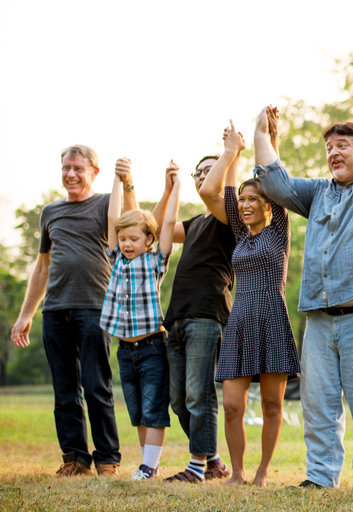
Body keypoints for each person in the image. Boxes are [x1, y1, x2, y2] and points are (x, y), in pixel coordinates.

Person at [257, 46, 353, 491]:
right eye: (329, 147)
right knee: (319, 403)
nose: (333, 152)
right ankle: (320, 476)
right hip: (320, 319)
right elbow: (273, 182)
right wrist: (264, 133)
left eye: (342, 145)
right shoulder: (319, 192)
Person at [11, 146, 134, 477]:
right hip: (55, 310)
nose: (71, 174)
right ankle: (75, 459)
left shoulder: (106, 204)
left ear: (93, 172)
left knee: (96, 386)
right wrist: (26, 314)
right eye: (66, 168)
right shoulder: (50, 212)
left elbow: (132, 224)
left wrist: (126, 181)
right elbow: (41, 267)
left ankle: (107, 459)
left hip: (94, 307)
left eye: (78, 168)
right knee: (65, 389)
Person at [198, 119, 298, 487]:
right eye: (241, 199)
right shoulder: (239, 230)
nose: (245, 204)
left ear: (269, 204)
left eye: (253, 198)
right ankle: (237, 472)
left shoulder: (279, 227)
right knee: (231, 405)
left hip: (272, 316)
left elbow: (278, 178)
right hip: (240, 318)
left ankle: (262, 472)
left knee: (273, 405)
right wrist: (231, 151)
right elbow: (210, 189)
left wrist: (270, 138)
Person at [157, 153, 236, 484]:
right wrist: (169, 188)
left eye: (211, 170)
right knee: (178, 399)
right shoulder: (194, 224)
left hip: (207, 314)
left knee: (198, 394)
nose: (204, 176)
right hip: (176, 317)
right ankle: (214, 459)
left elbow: (217, 192)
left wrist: (231, 154)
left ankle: (196, 467)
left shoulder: (227, 217)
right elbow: (158, 228)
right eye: (199, 172)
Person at [101, 158, 181, 481]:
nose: (127, 244)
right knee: (136, 411)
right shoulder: (117, 259)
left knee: (153, 408)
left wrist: (176, 187)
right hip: (125, 350)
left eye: (134, 239)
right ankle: (150, 464)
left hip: (152, 347)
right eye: (123, 239)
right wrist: (118, 181)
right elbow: (112, 216)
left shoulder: (154, 262)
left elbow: (169, 220)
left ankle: (148, 466)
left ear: (149, 240)